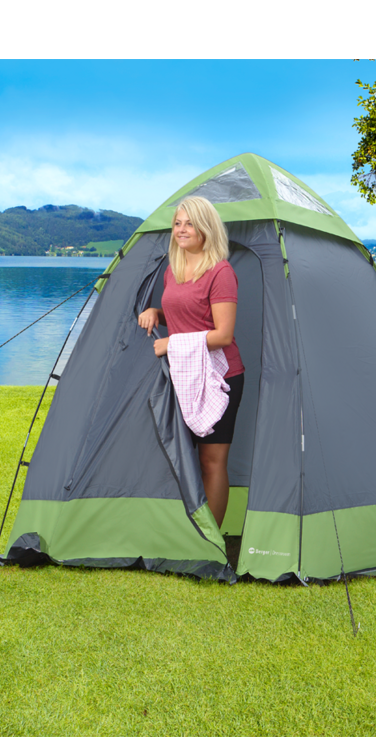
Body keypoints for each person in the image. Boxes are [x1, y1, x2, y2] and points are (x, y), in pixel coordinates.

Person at [137, 195, 244, 533]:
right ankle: (189, 533)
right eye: (177, 223)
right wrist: (158, 312)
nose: (182, 230)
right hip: (184, 373)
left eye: (190, 224)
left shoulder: (221, 272)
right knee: (185, 458)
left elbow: (223, 334)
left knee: (211, 462)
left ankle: (210, 544)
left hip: (220, 375)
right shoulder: (174, 269)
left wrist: (171, 343)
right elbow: (189, 315)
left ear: (206, 228)